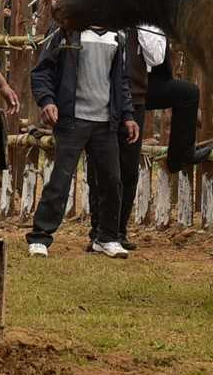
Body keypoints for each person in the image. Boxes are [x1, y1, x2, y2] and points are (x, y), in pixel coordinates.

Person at [86, 26, 212, 251]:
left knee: (128, 167)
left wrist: (145, 20)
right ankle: (99, 231)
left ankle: (118, 231)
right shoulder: (105, 15)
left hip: (135, 93)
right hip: (103, 95)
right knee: (100, 166)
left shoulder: (145, 21)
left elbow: (155, 56)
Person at [27, 25, 138, 257]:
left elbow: (122, 81)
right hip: (72, 120)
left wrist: (127, 115)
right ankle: (40, 238)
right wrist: (47, 100)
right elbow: (42, 71)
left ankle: (106, 237)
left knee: (112, 182)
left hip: (106, 123)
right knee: (60, 181)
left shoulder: (118, 35)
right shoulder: (65, 31)